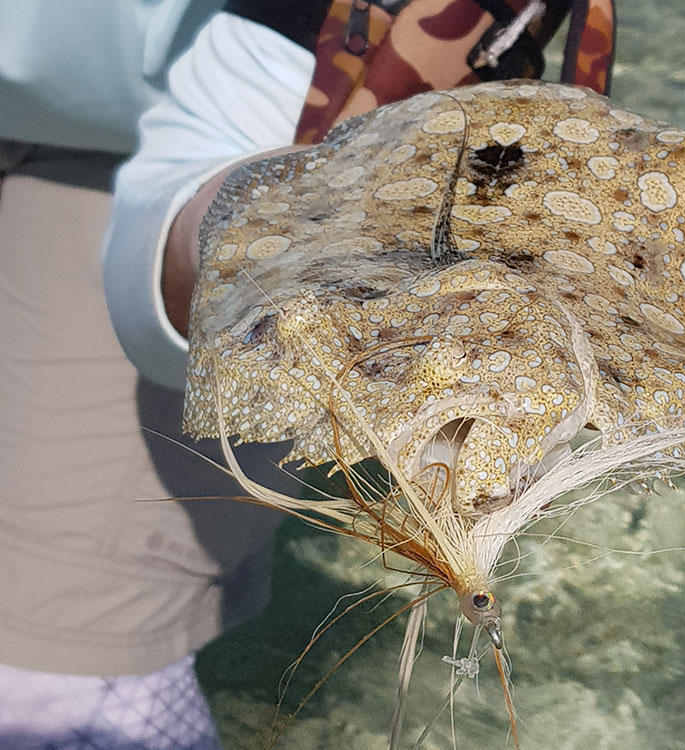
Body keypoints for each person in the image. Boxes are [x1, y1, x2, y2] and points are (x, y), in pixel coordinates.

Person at [0, 1, 613, 747]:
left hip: (217, 125)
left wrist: (268, 243)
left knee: (54, 683)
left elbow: (194, 224)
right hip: (46, 95)